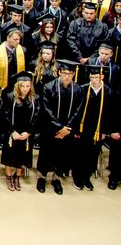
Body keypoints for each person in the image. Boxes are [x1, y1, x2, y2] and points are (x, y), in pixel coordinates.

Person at [36, 59, 83, 194]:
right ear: (59, 72)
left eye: (69, 73)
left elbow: (78, 111)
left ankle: (56, 179)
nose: (66, 76)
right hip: (50, 128)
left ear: (74, 74)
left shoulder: (78, 89)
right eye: (64, 72)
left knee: (62, 154)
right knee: (46, 153)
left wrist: (67, 128)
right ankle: (42, 177)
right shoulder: (48, 87)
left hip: (67, 130)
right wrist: (59, 127)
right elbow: (46, 110)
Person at [0, 72, 39, 191]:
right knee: (10, 154)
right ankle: (8, 175)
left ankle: (17, 176)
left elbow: (37, 117)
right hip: (12, 132)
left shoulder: (34, 98)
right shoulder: (9, 97)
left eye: (28, 86)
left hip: (26, 133)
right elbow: (4, 116)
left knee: (23, 155)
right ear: (18, 86)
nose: (25, 89)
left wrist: (29, 132)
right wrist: (12, 131)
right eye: (23, 86)